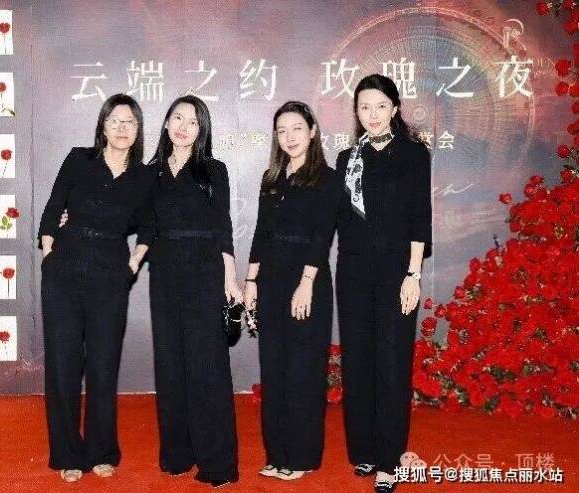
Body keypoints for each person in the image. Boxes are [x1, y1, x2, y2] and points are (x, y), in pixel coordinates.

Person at [37, 94, 155, 483]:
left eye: (130, 122)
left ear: (138, 130)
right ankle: (68, 454)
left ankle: (102, 450)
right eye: (115, 121)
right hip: (64, 269)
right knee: (64, 365)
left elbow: (150, 226)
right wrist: (49, 252)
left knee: (104, 365)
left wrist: (133, 263)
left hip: (110, 274)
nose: (122, 129)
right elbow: (53, 207)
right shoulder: (79, 160)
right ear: (103, 125)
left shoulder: (144, 177)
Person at [334, 74, 432, 493]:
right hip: (352, 274)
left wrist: (413, 274)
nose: (371, 115)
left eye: (379, 106)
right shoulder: (347, 159)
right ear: (356, 112)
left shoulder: (413, 153)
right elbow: (335, 220)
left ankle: (389, 460)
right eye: (364, 107)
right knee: (358, 363)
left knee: (392, 363)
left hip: (395, 273)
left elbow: (419, 218)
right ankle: (365, 451)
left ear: (394, 108)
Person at [139, 95, 242, 487]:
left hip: (204, 273)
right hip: (163, 275)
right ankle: (178, 453)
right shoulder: (149, 173)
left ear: (202, 131)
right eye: (177, 118)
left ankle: (218, 463)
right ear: (166, 123)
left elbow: (223, 227)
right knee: (170, 364)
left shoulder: (213, 170)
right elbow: (131, 217)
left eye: (193, 121)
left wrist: (229, 279)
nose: (183, 127)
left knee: (207, 367)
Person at [243, 101, 341, 481]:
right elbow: (261, 233)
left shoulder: (327, 179)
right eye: (282, 131)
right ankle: (277, 454)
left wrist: (306, 282)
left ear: (312, 131)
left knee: (303, 371)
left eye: (297, 128)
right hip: (270, 280)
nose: (289, 137)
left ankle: (301, 458)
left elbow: (321, 235)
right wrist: (251, 282)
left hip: (308, 281)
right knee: (274, 369)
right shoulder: (271, 178)